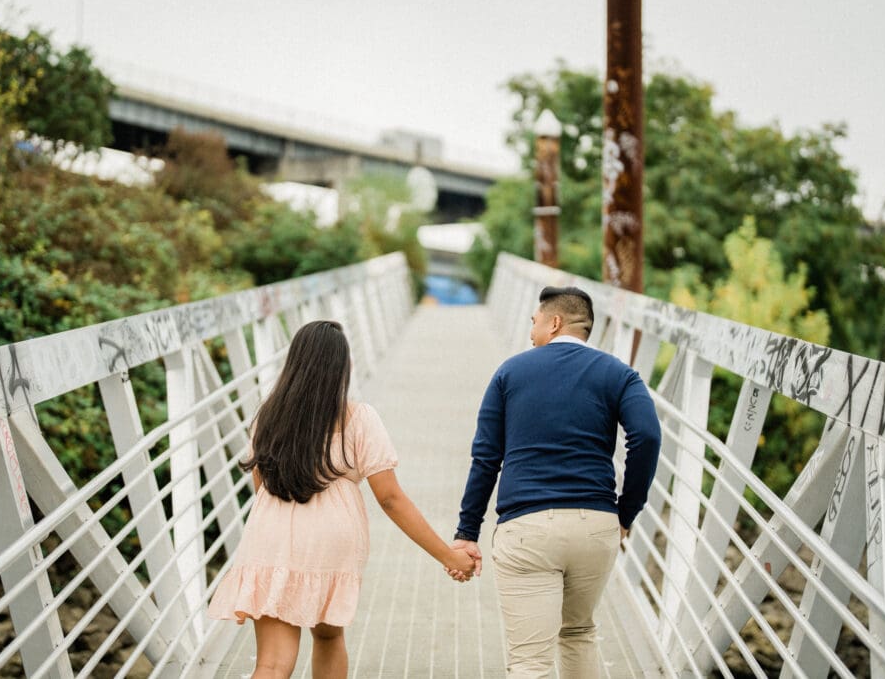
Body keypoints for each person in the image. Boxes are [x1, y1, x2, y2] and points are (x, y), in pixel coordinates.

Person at [208, 320, 475, 679]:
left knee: (271, 664)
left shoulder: (268, 415)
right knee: (328, 636)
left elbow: (261, 483)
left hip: (270, 538)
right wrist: (447, 555)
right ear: (341, 367)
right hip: (329, 544)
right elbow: (390, 498)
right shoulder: (358, 418)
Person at [448, 286, 661, 678]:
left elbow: (486, 457)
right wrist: (625, 513)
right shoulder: (619, 373)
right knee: (579, 632)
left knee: (530, 663)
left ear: (555, 322)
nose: (531, 333)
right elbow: (647, 437)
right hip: (595, 526)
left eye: (535, 323)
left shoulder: (510, 372)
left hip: (527, 528)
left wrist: (467, 532)